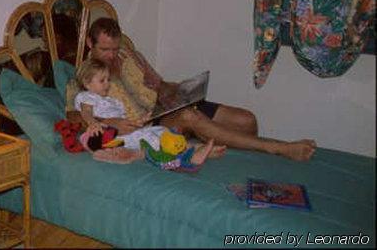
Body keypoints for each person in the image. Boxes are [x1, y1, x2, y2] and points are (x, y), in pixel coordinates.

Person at [66, 17, 317, 162]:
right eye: (105, 50)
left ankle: (198, 134)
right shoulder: (84, 77)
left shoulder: (130, 55)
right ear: (90, 43)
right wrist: (111, 121)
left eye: (114, 48)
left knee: (247, 121)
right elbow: (74, 116)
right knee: (189, 117)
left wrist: (183, 90)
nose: (112, 55)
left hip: (165, 106)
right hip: (148, 125)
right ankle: (278, 148)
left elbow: (159, 83)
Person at [74, 58, 219, 167]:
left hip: (126, 132)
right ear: (87, 83)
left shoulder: (113, 101)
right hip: (112, 137)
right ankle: (189, 157)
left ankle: (195, 148)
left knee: (161, 131)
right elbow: (86, 111)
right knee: (152, 140)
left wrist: (140, 120)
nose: (107, 83)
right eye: (102, 80)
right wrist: (92, 122)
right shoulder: (86, 96)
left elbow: (124, 120)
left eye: (108, 79)